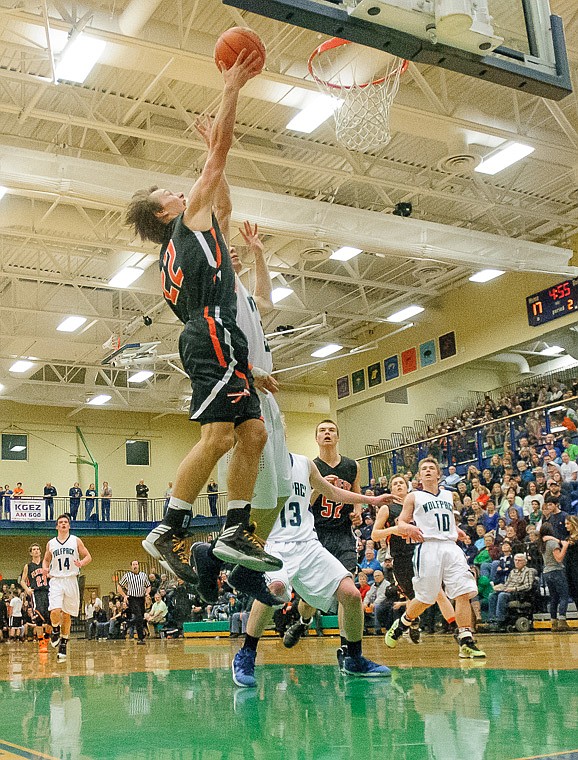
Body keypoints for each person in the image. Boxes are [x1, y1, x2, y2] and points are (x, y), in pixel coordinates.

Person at [127, 51, 280, 585]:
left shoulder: (192, 234)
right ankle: (167, 528)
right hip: (211, 330)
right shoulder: (182, 226)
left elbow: (222, 198)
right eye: (167, 193)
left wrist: (210, 147)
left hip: (220, 334)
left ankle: (235, 527)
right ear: (164, 212)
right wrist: (231, 89)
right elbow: (216, 169)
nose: (179, 189)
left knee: (253, 432)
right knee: (217, 438)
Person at [231, 453, 393, 687]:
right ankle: (246, 655)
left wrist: (372, 500)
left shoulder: (304, 463)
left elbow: (332, 492)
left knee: (351, 594)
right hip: (275, 543)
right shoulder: (259, 463)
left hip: (308, 544)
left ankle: (354, 658)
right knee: (272, 591)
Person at [385, 457, 485, 659]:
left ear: (439, 474)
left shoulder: (449, 495)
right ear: (419, 476)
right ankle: (403, 622)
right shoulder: (413, 497)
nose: (428, 471)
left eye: (432, 468)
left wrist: (458, 531)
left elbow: (444, 521)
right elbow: (401, 523)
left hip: (450, 546)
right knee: (426, 598)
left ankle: (466, 639)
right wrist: (409, 528)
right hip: (427, 547)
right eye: (424, 469)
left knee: (463, 591)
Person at [372, 473, 460, 642]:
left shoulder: (419, 503)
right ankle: (411, 621)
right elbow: (375, 535)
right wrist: (393, 530)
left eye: (401, 483)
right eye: (395, 484)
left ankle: (457, 630)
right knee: (414, 598)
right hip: (401, 558)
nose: (398, 486)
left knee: (438, 593)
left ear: (407, 487)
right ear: (391, 489)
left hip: (422, 552)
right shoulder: (387, 508)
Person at [42, 514, 92, 662]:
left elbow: (88, 556)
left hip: (71, 579)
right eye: (60, 522)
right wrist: (45, 568)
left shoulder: (76, 540)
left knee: (67, 615)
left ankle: (63, 643)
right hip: (56, 580)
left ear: (69, 525)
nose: (63, 524)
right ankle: (55, 630)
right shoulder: (51, 543)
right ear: (57, 526)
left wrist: (81, 563)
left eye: (65, 522)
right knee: (55, 610)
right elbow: (46, 560)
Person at [487, 553, 534, 631]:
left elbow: (528, 586)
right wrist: (500, 587)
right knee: (492, 595)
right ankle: (492, 620)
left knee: (502, 595)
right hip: (508, 591)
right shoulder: (513, 572)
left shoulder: (528, 571)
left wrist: (514, 589)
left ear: (525, 562)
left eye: (519, 560)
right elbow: (507, 584)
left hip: (518, 594)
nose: (517, 562)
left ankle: (500, 621)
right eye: (515, 560)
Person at [537, 523, 570, 631]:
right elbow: (559, 558)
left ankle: (553, 622)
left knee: (553, 598)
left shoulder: (542, 543)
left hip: (547, 572)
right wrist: (564, 546)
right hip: (556, 570)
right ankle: (562, 621)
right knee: (564, 596)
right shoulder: (552, 543)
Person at [21, 542, 51, 651]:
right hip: (36, 592)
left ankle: (47, 637)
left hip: (47, 592)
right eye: (33, 549)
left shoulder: (45, 563)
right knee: (38, 617)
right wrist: (27, 589)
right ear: (30, 553)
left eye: (37, 549)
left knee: (51, 617)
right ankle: (41, 641)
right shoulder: (28, 566)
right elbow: (22, 581)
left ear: (40, 551)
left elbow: (52, 575)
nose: (36, 551)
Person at [117, 560, 151, 645]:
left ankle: (135, 630)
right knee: (138, 615)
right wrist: (124, 595)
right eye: (133, 565)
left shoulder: (143, 575)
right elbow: (119, 586)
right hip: (132, 598)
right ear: (131, 566)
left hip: (141, 598)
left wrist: (147, 593)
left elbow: (148, 586)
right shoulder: (127, 576)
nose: (135, 566)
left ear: (138, 566)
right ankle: (141, 637)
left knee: (141, 616)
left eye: (136, 564)